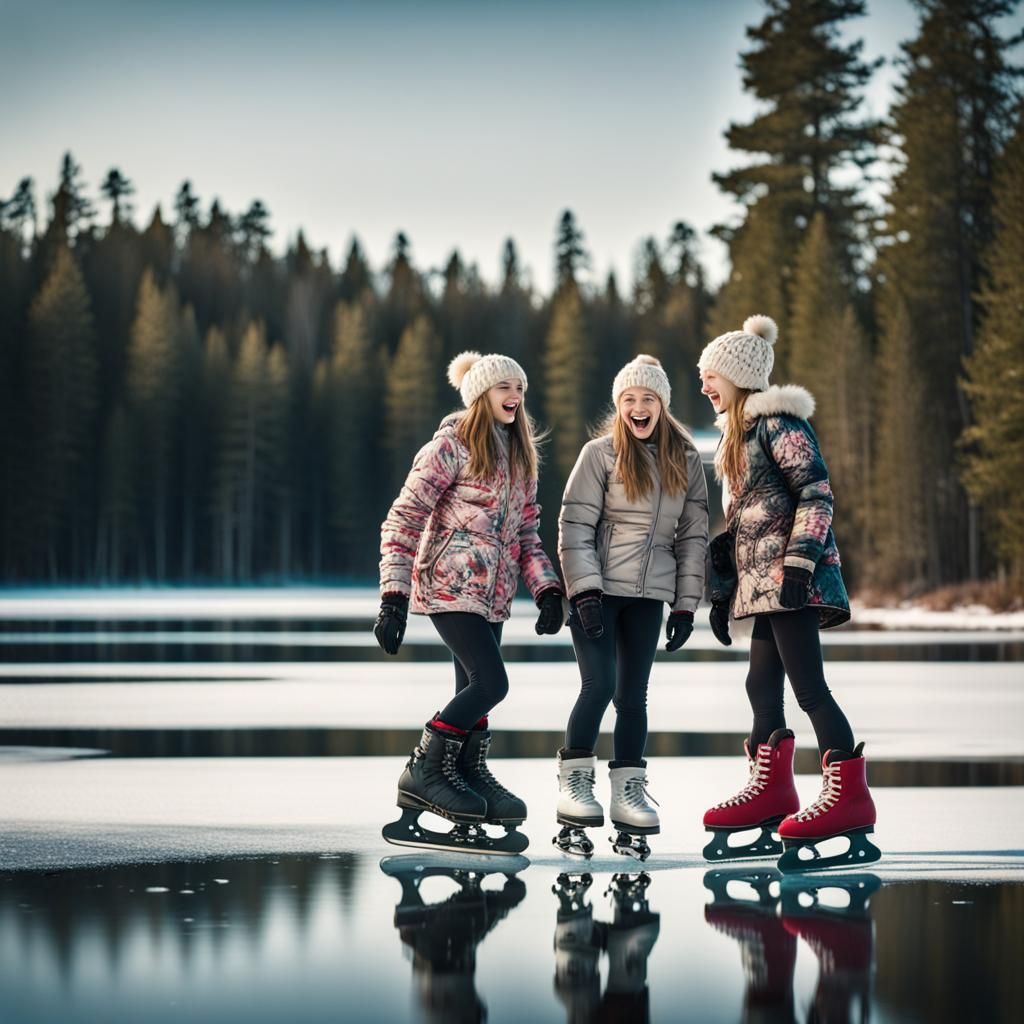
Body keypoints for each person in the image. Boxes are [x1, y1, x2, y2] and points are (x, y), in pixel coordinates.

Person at [698, 315, 879, 871]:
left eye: (711, 377)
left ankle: (849, 796)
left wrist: (801, 564)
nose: (704, 386)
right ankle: (772, 791)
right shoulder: (738, 437)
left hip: (789, 582)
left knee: (809, 688)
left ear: (737, 377)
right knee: (760, 683)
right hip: (762, 587)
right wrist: (725, 593)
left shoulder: (779, 423)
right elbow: (741, 527)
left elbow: (816, 493)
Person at [377, 350, 564, 855]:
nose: (515, 397)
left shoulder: (520, 455)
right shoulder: (449, 446)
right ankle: (423, 772)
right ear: (480, 394)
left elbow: (526, 533)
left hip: (493, 596)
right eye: (504, 387)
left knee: (474, 690)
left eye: (520, 389)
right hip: (447, 586)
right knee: (491, 682)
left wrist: (547, 588)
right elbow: (404, 518)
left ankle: (465, 776)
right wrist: (393, 597)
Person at [555, 355, 709, 860]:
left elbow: (692, 536)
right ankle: (575, 787)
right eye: (629, 400)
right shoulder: (598, 455)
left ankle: (628, 794)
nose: (638, 408)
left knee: (634, 697)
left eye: (647, 399)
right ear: (618, 405)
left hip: (649, 598)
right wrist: (584, 590)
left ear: (662, 405)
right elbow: (574, 527)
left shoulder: (685, 460)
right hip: (597, 594)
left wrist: (687, 605)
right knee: (598, 684)